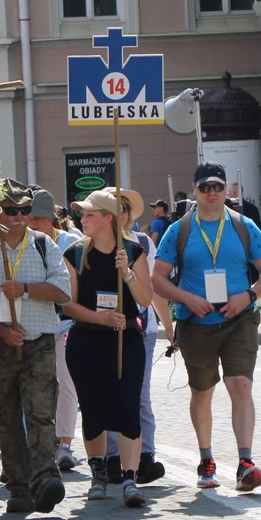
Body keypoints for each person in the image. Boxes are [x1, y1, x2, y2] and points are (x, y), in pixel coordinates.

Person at [151, 162, 261, 492]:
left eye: (217, 187)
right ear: (194, 190)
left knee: (240, 385)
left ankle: (245, 462)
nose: (211, 193)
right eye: (204, 187)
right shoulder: (178, 230)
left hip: (240, 318)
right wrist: (187, 299)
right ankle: (206, 459)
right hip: (196, 323)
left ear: (226, 191)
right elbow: (158, 279)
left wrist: (248, 295)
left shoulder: (243, 225)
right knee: (202, 392)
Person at [0, 179, 71, 514]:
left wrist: (24, 288)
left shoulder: (43, 245)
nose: (20, 216)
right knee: (5, 416)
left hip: (39, 342)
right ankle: (18, 486)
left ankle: (45, 477)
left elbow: (62, 291)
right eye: (12, 211)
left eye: (25, 210)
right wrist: (1, 331)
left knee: (40, 410)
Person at [61, 190, 154, 507]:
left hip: (125, 339)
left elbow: (144, 300)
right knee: (93, 410)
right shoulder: (74, 254)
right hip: (87, 340)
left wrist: (126, 273)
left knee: (128, 406)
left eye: (88, 214)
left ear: (107, 218)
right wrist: (99, 318)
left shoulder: (133, 251)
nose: (82, 219)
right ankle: (98, 474)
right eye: (82, 214)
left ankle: (130, 477)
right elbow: (68, 306)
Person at [106, 187, 168, 487]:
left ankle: (145, 456)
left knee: (139, 395)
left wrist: (170, 328)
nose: (121, 214)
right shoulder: (91, 245)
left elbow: (152, 290)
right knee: (108, 395)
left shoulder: (142, 242)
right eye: (114, 208)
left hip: (141, 329)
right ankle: (112, 458)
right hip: (104, 328)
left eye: (125, 209)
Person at [27, 189, 83, 473]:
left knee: (65, 383)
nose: (32, 222)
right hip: (33, 325)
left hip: (66, 325)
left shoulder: (72, 243)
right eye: (29, 217)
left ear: (51, 219)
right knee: (35, 386)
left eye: (38, 217)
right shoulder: (21, 244)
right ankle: (37, 444)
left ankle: (65, 445)